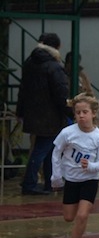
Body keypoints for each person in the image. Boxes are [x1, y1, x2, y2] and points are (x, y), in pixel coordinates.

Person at [51, 93, 99, 238]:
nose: (81, 116)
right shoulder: (67, 133)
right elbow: (56, 152)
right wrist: (56, 175)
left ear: (93, 114)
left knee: (82, 215)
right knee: (69, 217)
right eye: (78, 113)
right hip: (71, 179)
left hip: (90, 180)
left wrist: (90, 167)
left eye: (85, 112)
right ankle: (75, 232)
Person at [17, 33, 71, 195]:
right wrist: (70, 111)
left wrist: (20, 111)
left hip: (33, 113)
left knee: (48, 149)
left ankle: (51, 182)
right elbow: (61, 93)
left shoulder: (29, 63)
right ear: (58, 47)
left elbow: (23, 89)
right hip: (51, 116)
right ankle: (29, 183)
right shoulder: (54, 66)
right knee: (42, 150)